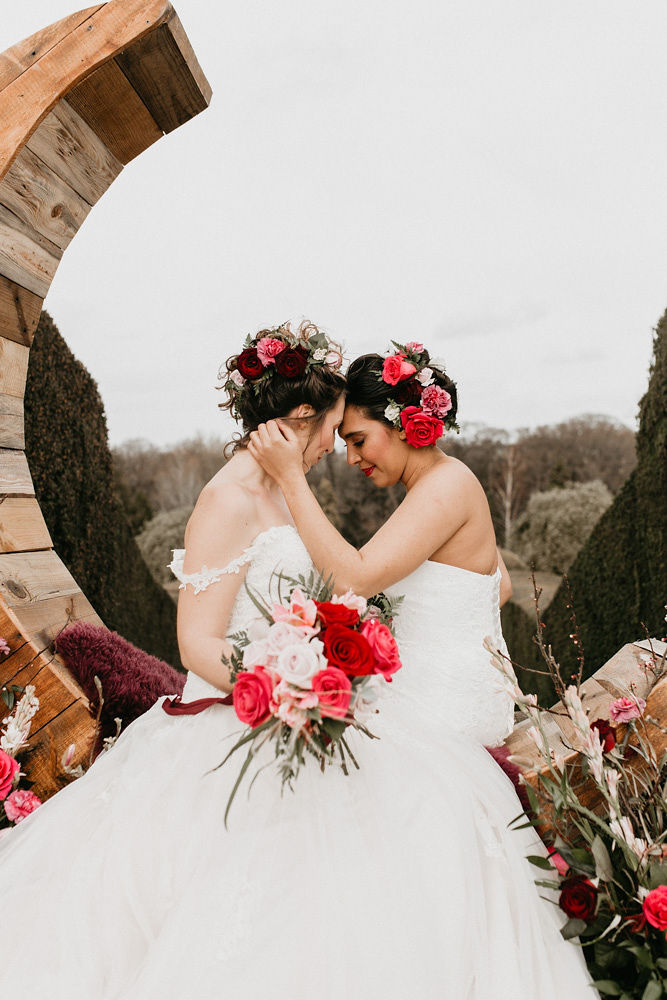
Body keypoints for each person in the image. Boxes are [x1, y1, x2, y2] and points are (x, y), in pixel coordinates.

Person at [0, 326, 596, 999]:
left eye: (353, 436)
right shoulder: (230, 498)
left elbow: (357, 579)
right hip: (259, 704)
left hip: (348, 701)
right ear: (299, 420)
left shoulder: (313, 494)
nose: (339, 454)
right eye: (334, 434)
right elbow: (199, 640)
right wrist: (285, 683)